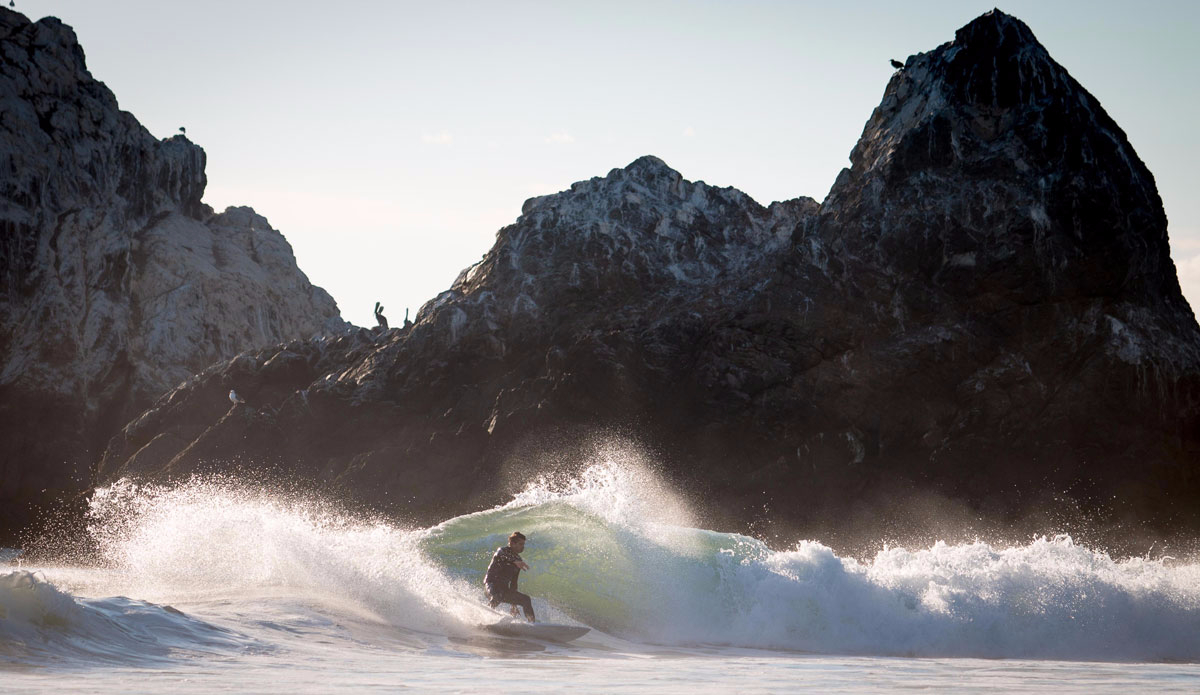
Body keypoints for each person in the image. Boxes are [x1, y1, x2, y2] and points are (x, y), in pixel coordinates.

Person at [484, 531, 535, 622]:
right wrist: (513, 561)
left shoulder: (518, 560)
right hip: (491, 584)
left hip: (504, 589)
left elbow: (514, 582)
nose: (523, 547)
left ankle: (532, 623)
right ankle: (484, 618)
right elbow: (502, 555)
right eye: (520, 544)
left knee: (526, 599)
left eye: (523, 544)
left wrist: (513, 604)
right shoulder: (502, 551)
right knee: (497, 597)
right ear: (512, 543)